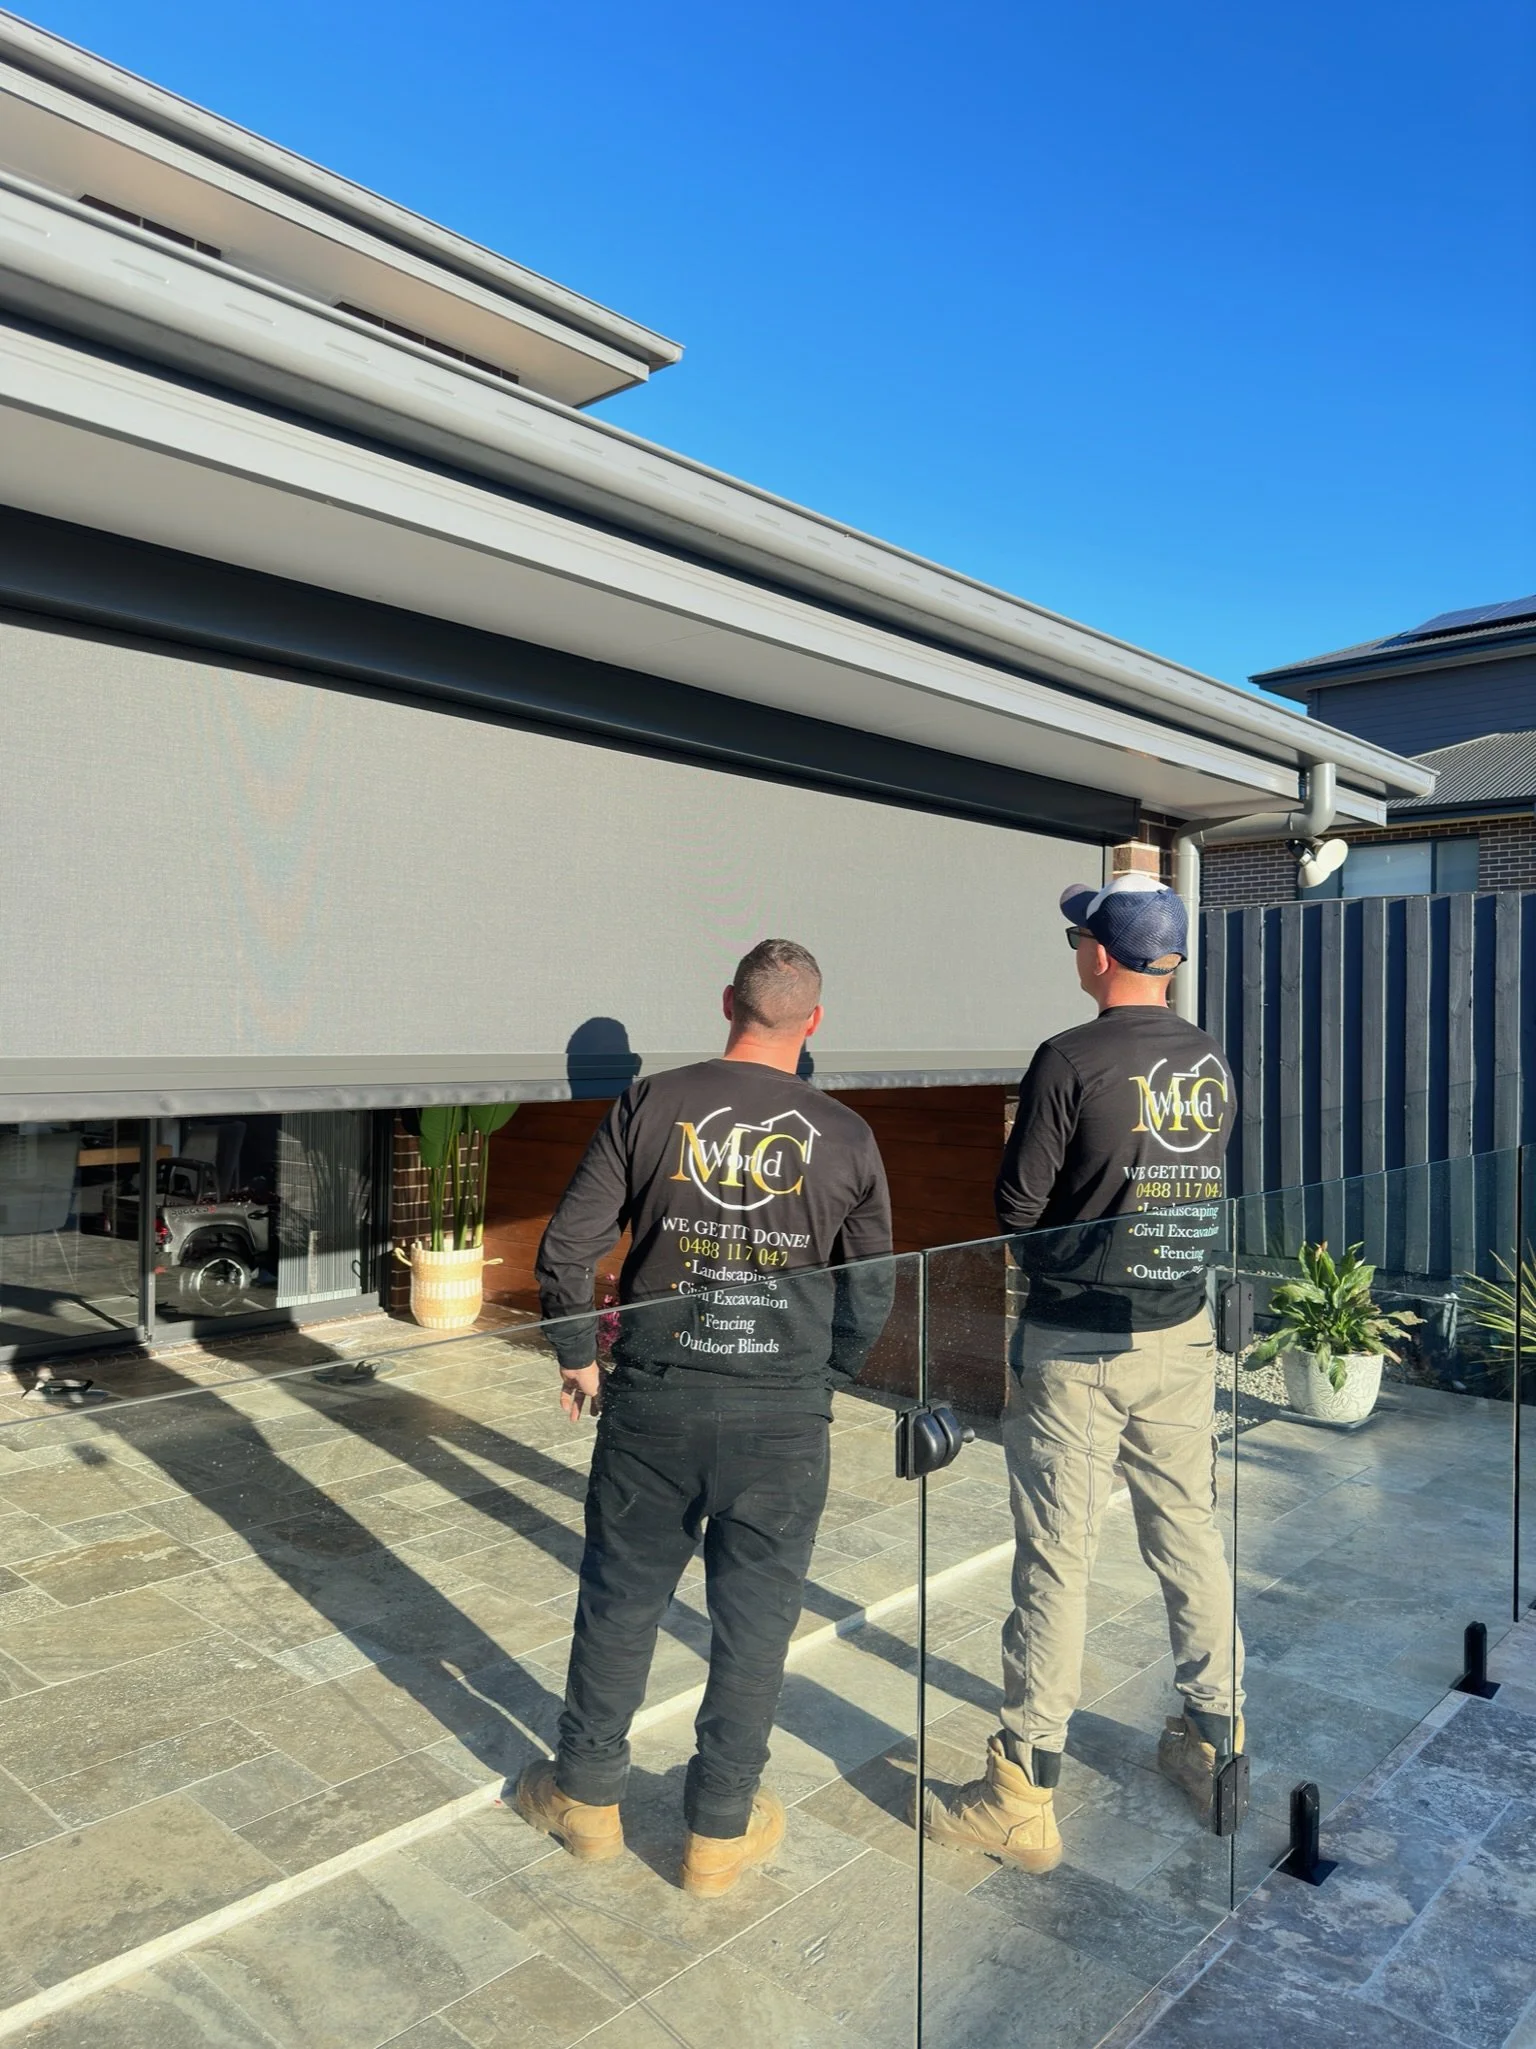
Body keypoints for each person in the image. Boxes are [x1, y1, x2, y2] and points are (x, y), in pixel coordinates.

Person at [515, 939, 893, 1895]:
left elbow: (568, 1246)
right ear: (814, 1021)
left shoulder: (651, 1103)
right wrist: (822, 1378)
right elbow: (873, 1287)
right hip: (781, 1416)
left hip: (656, 1401)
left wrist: (576, 1352)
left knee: (621, 1598)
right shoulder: (846, 1133)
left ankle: (586, 1797)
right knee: (756, 1623)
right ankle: (717, 1832)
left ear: (729, 1001)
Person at [922, 872, 1242, 1873]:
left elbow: (1018, 1207)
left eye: (1078, 940)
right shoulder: (1209, 1059)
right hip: (1180, 1330)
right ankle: (1217, 1741)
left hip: (1078, 1345)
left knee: (1058, 1557)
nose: (1075, 953)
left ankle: (1021, 1794)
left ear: (1101, 955)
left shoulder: (1069, 1058)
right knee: (1188, 1530)